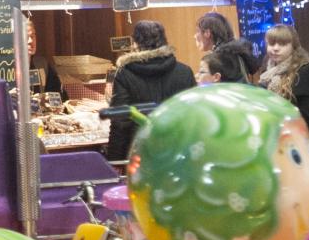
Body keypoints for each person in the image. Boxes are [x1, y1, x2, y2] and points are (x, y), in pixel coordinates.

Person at [106, 20, 195, 162]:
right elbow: (193, 115)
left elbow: (120, 121)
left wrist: (114, 160)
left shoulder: (124, 74)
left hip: (140, 153)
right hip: (179, 151)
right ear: (164, 41)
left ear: (135, 43)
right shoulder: (185, 72)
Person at [258, 25, 309, 135]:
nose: (275, 48)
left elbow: (308, 116)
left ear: (294, 46)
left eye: (282, 44)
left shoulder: (307, 71)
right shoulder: (267, 70)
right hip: (273, 133)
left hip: (299, 135)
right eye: (271, 44)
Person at [195, 12, 257, 84]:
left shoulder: (222, 58)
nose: (195, 36)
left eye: (197, 31)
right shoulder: (235, 52)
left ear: (207, 33)